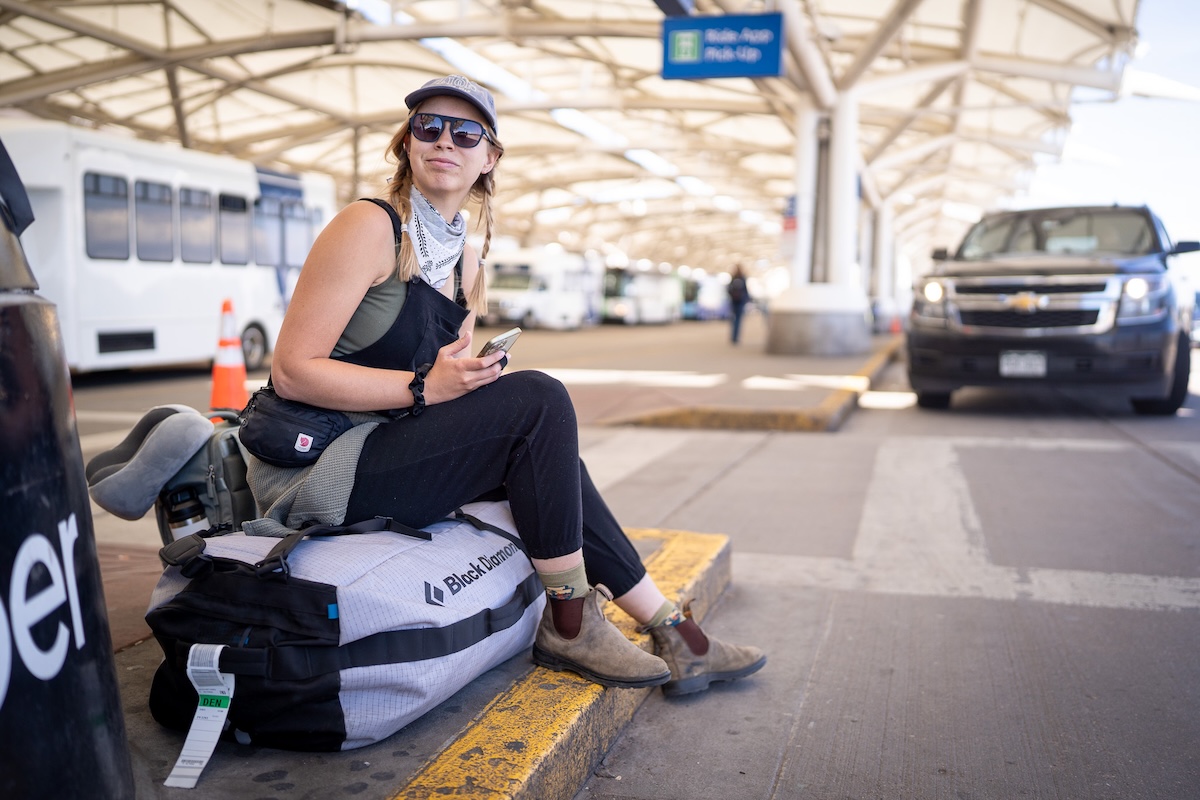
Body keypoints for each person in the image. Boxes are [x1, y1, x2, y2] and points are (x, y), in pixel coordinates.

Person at [247, 75, 764, 696]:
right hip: (322, 467)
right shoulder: (367, 226)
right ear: (406, 144)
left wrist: (464, 384)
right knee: (540, 400)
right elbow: (292, 369)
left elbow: (442, 381)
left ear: (489, 158)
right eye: (428, 126)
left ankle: (677, 632)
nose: (446, 141)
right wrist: (424, 390)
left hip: (393, 447)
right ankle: (571, 626)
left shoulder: (466, 260)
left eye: (467, 133)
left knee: (550, 450)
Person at [727, 264, 751, 344]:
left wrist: (731, 297)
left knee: (733, 319)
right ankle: (736, 337)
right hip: (740, 302)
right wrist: (746, 299)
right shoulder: (742, 278)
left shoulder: (733, 277)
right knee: (738, 319)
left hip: (733, 301)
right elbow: (746, 290)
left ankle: (733, 337)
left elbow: (728, 289)